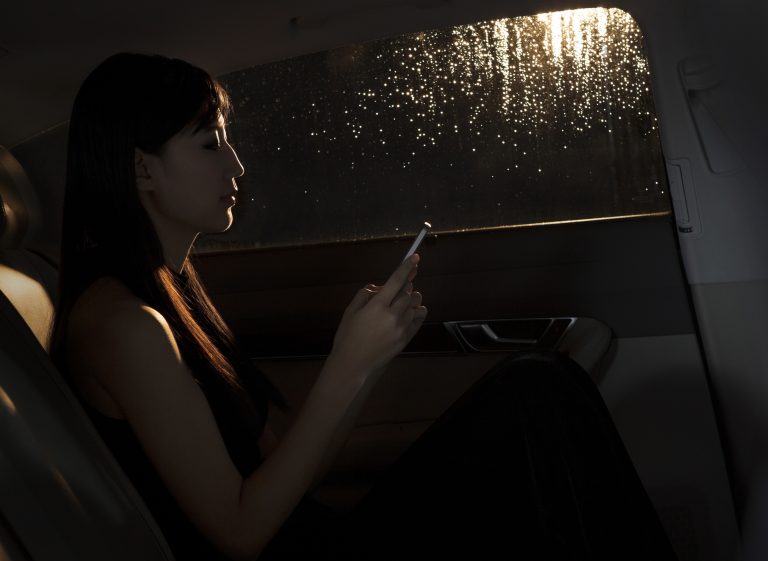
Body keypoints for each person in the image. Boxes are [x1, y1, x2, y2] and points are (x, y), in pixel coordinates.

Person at [50, 52, 677, 561]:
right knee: (534, 391)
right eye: (210, 144)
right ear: (141, 169)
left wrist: (370, 359)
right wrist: (346, 365)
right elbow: (239, 533)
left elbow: (279, 470)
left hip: (313, 533)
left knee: (537, 398)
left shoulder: (171, 288)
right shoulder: (125, 325)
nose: (237, 164)